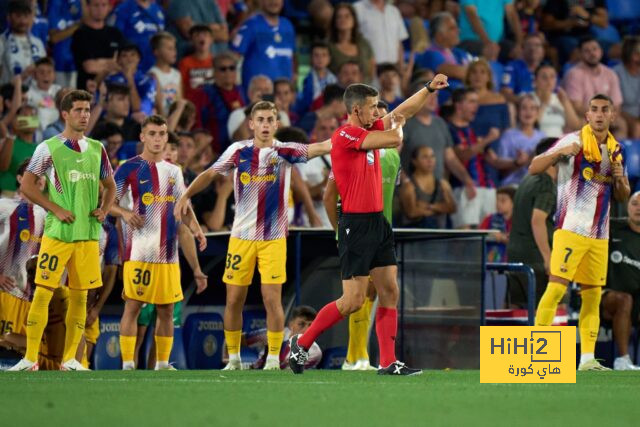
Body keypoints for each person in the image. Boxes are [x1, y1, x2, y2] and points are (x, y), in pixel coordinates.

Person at [288, 74, 450, 376]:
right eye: (373, 108)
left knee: (390, 291)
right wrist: (398, 125)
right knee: (353, 301)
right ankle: (302, 344)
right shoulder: (345, 136)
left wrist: (427, 89)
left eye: (378, 108)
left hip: (379, 222)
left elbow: (404, 110)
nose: (378, 113)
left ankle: (388, 362)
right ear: (356, 110)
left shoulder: (367, 127)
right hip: (356, 225)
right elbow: (394, 137)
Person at [175, 101, 331, 371]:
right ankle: (233, 358)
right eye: (261, 119)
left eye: (271, 119)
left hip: (273, 239)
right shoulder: (238, 151)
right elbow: (211, 173)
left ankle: (272, 358)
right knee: (234, 298)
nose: (266, 124)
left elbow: (321, 147)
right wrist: (186, 195)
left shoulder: (285, 151)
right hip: (241, 238)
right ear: (251, 123)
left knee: (272, 297)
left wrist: (350, 135)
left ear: (277, 124)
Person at [8, 89, 117, 371]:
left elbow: (111, 186)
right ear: (65, 114)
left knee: (81, 296)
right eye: (79, 110)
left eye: (87, 109)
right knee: (43, 292)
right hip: (57, 234)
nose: (84, 115)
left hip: (88, 235)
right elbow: (27, 185)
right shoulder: (48, 147)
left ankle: (71, 359)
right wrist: (54, 208)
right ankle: (30, 358)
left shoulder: (97, 148)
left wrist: (104, 210)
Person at [531, 94, 630, 371]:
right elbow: (533, 167)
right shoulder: (572, 141)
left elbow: (622, 195)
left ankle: (587, 358)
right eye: (594, 110)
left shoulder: (616, 151)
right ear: (587, 115)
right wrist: (559, 154)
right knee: (556, 289)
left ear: (612, 116)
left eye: (604, 110)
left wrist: (620, 177)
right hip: (570, 229)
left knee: (592, 296)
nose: (599, 115)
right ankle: (536, 352)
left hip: (599, 234)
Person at [111, 114, 207, 371]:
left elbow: (183, 208)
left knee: (166, 310)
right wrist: (125, 213)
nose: (157, 139)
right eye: (152, 134)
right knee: (132, 306)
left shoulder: (174, 171)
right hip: (139, 252)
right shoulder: (128, 167)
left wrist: (196, 230)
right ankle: (128, 363)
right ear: (142, 137)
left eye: (162, 134)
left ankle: (162, 363)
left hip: (168, 255)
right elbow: (107, 204)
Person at [506, 137, 558, 308]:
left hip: (516, 255)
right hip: (535, 259)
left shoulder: (528, 179)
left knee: (519, 312)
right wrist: (548, 258)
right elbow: (537, 220)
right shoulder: (546, 183)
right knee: (545, 312)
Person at [0, 158, 47, 340]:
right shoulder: (5, 206)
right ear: (20, 179)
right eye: (33, 171)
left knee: (22, 355)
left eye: (41, 172)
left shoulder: (47, 216)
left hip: (29, 298)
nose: (39, 175)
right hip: (4, 293)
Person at [601, 192, 640, 370]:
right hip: (607, 297)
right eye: (634, 203)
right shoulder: (611, 227)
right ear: (627, 207)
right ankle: (622, 359)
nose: (638, 208)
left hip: (636, 300)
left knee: (630, 300)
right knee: (625, 299)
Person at [230, 0, 295, 94]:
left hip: (282, 95)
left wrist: (293, 83)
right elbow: (234, 56)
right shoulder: (250, 25)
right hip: (259, 94)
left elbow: (293, 57)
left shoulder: (288, 25)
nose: (274, 2)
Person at [415, 12, 471, 105]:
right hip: (446, 101)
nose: (458, 30)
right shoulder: (430, 54)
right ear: (439, 35)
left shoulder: (458, 52)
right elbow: (458, 72)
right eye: (452, 28)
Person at [195, 51, 245, 152]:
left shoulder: (242, 92)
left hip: (239, 152)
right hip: (215, 153)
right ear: (214, 72)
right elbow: (198, 123)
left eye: (231, 68)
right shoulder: (205, 93)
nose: (228, 72)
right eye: (223, 69)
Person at [70, 0, 125, 91]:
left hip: (113, 90)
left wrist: (99, 63)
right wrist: (111, 63)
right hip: (87, 92)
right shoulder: (80, 34)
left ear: (109, 7)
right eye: (96, 5)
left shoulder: (115, 33)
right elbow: (89, 67)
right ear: (88, 7)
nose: (100, 9)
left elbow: (122, 64)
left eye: (104, 5)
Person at [249, 305, 322, 370]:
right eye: (301, 324)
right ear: (291, 325)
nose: (307, 330)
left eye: (310, 325)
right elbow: (243, 340)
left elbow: (286, 370)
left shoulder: (315, 351)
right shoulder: (275, 334)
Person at [399, 145, 456, 229]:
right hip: (414, 237)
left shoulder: (443, 184)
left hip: (438, 236)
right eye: (425, 157)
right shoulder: (409, 186)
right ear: (414, 161)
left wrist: (429, 206)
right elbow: (412, 212)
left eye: (432, 156)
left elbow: (452, 207)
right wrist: (440, 208)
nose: (430, 160)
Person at [497, 94, 545, 186]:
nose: (528, 112)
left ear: (537, 113)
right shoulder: (508, 136)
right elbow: (501, 171)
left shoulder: (542, 136)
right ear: (517, 111)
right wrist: (517, 162)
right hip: (513, 185)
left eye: (532, 108)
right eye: (524, 108)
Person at [111, 0, 165, 73]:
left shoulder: (158, 9)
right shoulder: (124, 8)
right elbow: (116, 37)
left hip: (154, 67)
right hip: (131, 67)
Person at [0, 0, 47, 85]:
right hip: (9, 94)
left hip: (35, 95)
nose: (23, 21)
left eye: (26, 16)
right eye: (18, 16)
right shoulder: (2, 42)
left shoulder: (38, 43)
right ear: (9, 17)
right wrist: (23, 76)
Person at [328, 3, 375, 85]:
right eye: (339, 17)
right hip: (337, 94)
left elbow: (372, 70)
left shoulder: (364, 43)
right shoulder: (328, 46)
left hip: (364, 92)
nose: (343, 19)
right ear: (334, 21)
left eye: (347, 16)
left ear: (354, 20)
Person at [105, 43, 157, 117]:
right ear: (118, 60)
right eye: (124, 55)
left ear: (139, 58)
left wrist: (129, 78)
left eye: (133, 55)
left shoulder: (148, 80)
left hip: (141, 123)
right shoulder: (111, 80)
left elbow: (138, 109)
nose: (129, 59)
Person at [353, 0, 408, 68]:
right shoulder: (358, 8)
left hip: (392, 68)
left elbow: (399, 43)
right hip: (368, 67)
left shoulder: (394, 11)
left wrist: (401, 67)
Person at [532, 64, 581, 139]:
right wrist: (544, 103)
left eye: (552, 77)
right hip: (538, 143)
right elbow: (531, 126)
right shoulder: (529, 99)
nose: (549, 81)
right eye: (544, 77)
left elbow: (575, 126)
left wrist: (565, 102)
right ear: (535, 81)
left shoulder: (560, 99)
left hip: (558, 144)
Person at [0, 105, 39, 196]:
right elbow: (2, 166)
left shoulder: (40, 148)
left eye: (32, 116)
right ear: (17, 120)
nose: (29, 119)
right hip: (7, 195)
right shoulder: (7, 142)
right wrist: (12, 133)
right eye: (25, 116)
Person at [47, 0, 83, 87]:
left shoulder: (80, 2)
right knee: (62, 97)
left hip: (79, 63)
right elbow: (54, 38)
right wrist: (76, 26)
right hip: (60, 63)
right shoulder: (55, 3)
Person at [501, 33, 545, 103]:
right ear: (522, 49)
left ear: (543, 51)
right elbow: (505, 94)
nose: (532, 48)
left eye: (537, 45)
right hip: (521, 107)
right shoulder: (512, 67)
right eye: (529, 45)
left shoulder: (547, 69)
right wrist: (525, 102)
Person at [297, 41, 338, 117]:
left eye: (324, 55)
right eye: (316, 55)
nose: (320, 59)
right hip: (311, 114)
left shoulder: (334, 79)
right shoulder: (304, 78)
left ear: (329, 59)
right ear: (311, 58)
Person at [148, 32, 182, 117]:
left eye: (174, 48)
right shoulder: (153, 74)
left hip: (175, 119)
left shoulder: (177, 74)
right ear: (157, 52)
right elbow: (158, 105)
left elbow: (180, 100)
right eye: (169, 49)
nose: (174, 52)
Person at [178, 25, 214, 105]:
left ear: (211, 39)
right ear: (191, 41)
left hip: (213, 107)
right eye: (197, 35)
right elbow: (181, 87)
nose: (202, 38)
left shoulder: (217, 62)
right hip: (192, 106)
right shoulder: (185, 63)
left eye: (205, 35)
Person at [479, 186, 515, 262]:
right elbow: (478, 236)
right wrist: (490, 234)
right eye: (497, 200)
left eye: (503, 200)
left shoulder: (519, 221)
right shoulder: (489, 219)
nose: (498, 204)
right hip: (491, 264)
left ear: (513, 202)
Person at [614, 36, 640, 139]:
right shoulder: (616, 73)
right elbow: (616, 105)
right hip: (623, 113)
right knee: (637, 126)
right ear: (632, 55)